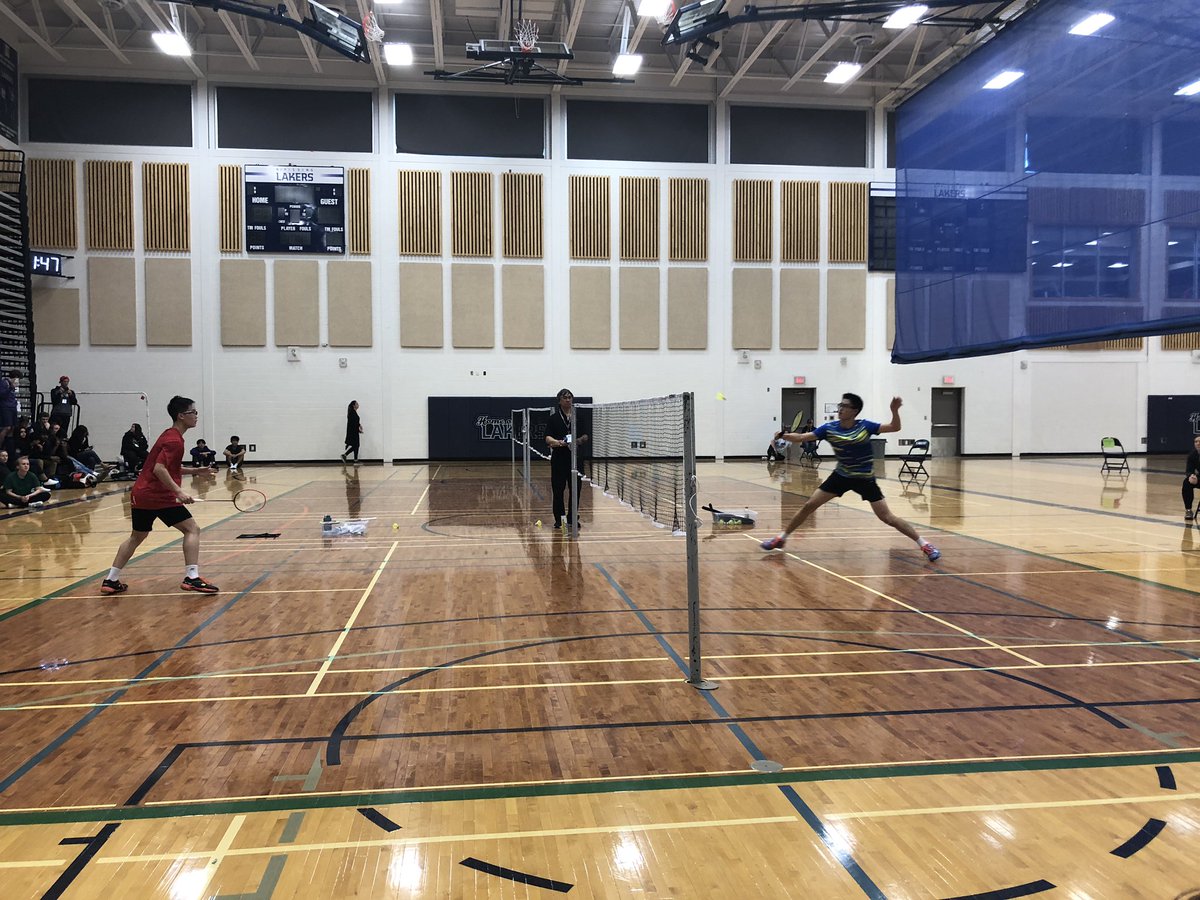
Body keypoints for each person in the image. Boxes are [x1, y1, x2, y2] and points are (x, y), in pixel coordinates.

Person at [761, 393, 941, 561]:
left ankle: (925, 545)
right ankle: (781, 538)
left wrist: (894, 411)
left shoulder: (865, 426)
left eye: (845, 406)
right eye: (840, 405)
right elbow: (801, 437)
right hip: (841, 476)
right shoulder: (829, 428)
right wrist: (784, 435)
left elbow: (895, 427)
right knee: (809, 505)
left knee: (887, 518)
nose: (840, 409)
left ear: (854, 411)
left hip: (865, 479)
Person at [101, 396, 219, 596]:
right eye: (193, 413)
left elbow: (168, 468)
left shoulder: (169, 435)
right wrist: (179, 492)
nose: (196, 416)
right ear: (181, 416)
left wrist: (196, 471)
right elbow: (159, 469)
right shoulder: (174, 440)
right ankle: (192, 577)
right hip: (158, 496)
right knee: (192, 529)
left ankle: (110, 580)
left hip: (141, 494)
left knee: (137, 536)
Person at [544, 388, 589, 531]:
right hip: (559, 460)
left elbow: (586, 435)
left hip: (576, 460)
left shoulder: (578, 417)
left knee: (575, 490)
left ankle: (572, 518)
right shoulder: (553, 418)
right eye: (565, 397)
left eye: (570, 397)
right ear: (559, 400)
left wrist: (577, 441)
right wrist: (558, 443)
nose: (568, 400)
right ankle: (560, 520)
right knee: (558, 491)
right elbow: (547, 437)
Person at [0, 370, 18, 456]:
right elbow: (2, 395)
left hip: (12, 406)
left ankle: (8, 445)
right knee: (7, 427)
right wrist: (11, 387)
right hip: (6, 407)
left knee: (12, 428)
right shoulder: (4, 383)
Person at [1184, 434, 1200, 521]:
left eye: (1199, 442)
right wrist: (1192, 476)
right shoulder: (1192, 455)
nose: (1198, 443)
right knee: (1187, 482)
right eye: (1196, 442)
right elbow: (1188, 470)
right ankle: (1188, 510)